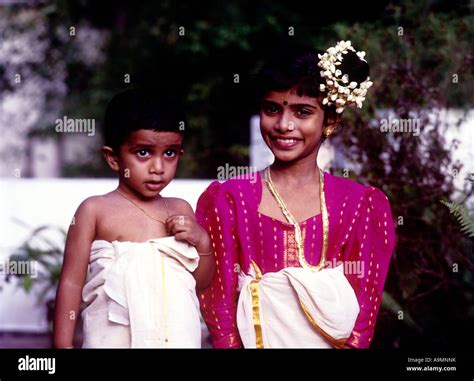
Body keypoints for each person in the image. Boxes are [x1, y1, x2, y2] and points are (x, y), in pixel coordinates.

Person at [196, 41, 396, 348]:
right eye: (272, 109)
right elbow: (217, 302)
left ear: (330, 121)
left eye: (302, 112)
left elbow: (364, 311)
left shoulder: (359, 205)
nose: (283, 125)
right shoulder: (230, 199)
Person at [53, 89, 215, 348]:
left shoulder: (180, 209)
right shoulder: (95, 210)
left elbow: (200, 282)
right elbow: (71, 283)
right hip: (111, 339)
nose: (158, 167)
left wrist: (204, 243)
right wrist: (62, 345)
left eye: (170, 153)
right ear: (114, 158)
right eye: (143, 153)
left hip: (176, 339)